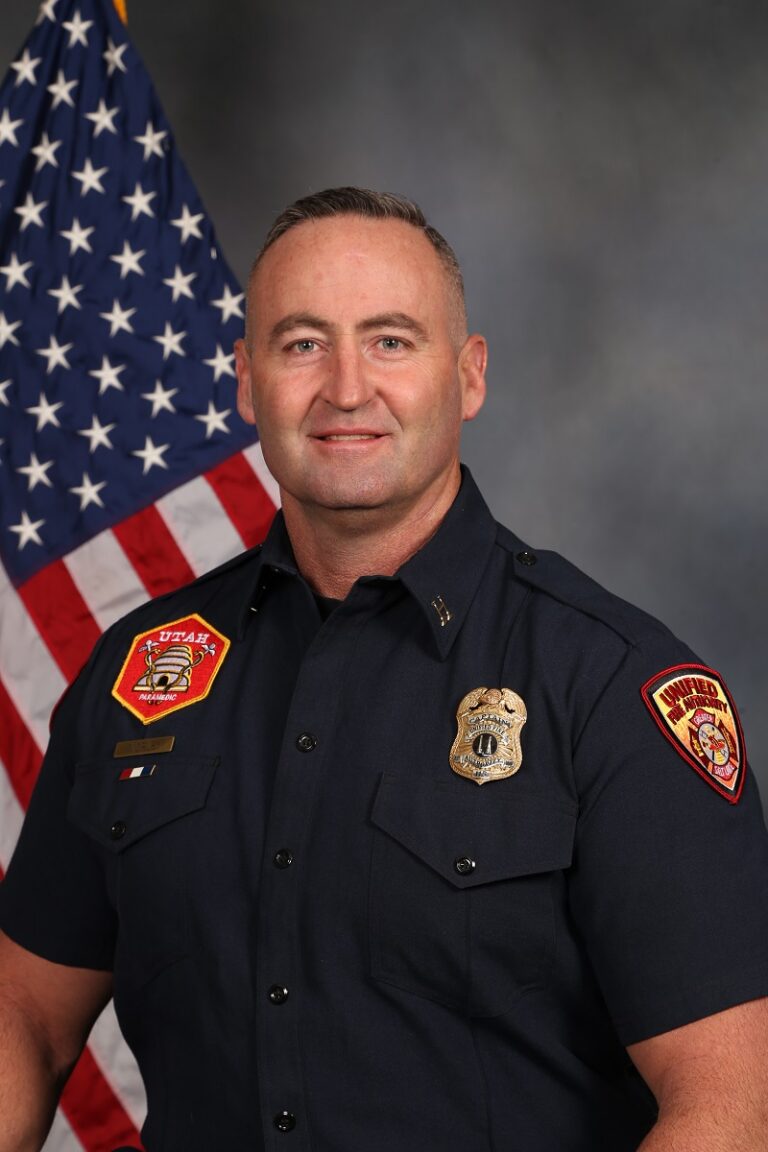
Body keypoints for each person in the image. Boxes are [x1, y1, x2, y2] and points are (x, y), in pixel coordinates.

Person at [1, 186, 767, 1152]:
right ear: (247, 383)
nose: (347, 388)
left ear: (470, 376)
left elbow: (733, 1106)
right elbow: (24, 1017)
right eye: (302, 344)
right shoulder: (138, 675)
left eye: (392, 341)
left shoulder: (609, 686)